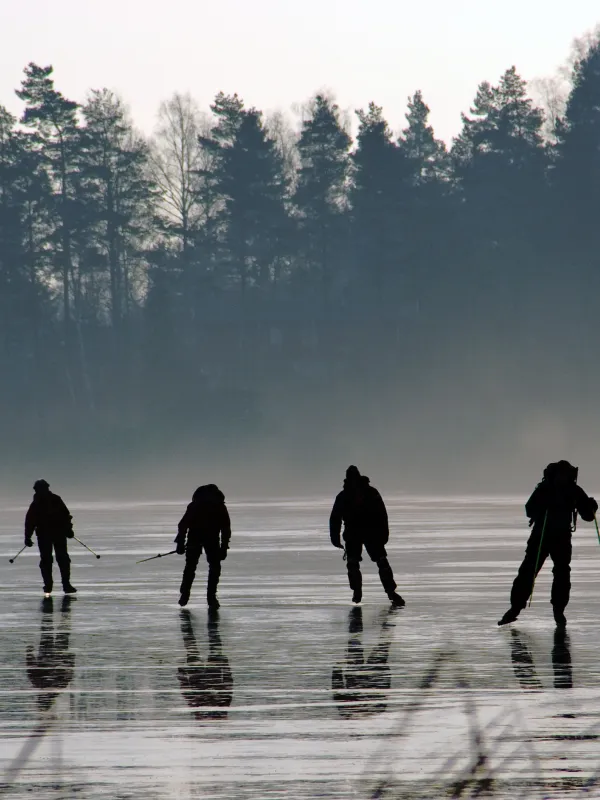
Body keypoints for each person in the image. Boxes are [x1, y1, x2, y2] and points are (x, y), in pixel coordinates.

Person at [498, 460, 598, 628]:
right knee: (529, 571)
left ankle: (558, 611)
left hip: (560, 538)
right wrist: (542, 505)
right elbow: (529, 509)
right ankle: (515, 609)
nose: (564, 478)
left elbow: (587, 515)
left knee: (561, 573)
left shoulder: (573, 490)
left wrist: (591, 507)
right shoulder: (545, 489)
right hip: (541, 536)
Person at [329, 465, 405, 607]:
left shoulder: (355, 494)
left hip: (366, 533)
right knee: (364, 563)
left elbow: (381, 514)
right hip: (363, 533)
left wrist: (335, 538)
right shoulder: (364, 493)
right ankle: (382, 592)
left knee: (371, 563)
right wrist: (335, 537)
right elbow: (335, 518)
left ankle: (382, 592)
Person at [175, 484, 231, 608]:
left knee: (191, 566)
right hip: (209, 540)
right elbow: (226, 529)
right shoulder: (219, 506)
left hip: (197, 539)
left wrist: (180, 543)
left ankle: (186, 593)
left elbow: (183, 525)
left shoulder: (195, 506)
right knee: (213, 567)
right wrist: (224, 547)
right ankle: (210, 597)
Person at [332, 606, 394, 716]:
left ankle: (359, 613)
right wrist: (337, 671)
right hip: (369, 673)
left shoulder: (375, 711)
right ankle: (358, 613)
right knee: (359, 642)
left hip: (365, 674)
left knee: (380, 644)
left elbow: (338, 692)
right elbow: (338, 692)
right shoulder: (375, 711)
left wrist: (337, 671)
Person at [177, 609, 233, 720]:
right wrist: (182, 675)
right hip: (206, 675)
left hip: (205, 675)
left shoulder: (219, 712)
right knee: (194, 644)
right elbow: (228, 688)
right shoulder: (211, 713)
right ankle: (187, 619)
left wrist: (226, 668)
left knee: (211, 642)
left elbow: (228, 688)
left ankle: (208, 616)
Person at [24, 480, 77, 597]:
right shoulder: (39, 503)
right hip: (48, 534)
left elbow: (66, 516)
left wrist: (68, 529)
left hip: (55, 534)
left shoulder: (53, 500)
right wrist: (27, 536)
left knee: (59, 559)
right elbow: (30, 521)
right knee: (50, 560)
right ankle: (52, 585)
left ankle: (62, 585)